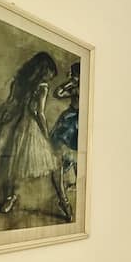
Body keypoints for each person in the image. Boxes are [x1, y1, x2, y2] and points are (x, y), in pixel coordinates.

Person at [0, 52, 59, 214]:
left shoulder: (19, 80)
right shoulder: (42, 87)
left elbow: (10, 102)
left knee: (11, 161)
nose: (50, 77)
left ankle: (10, 197)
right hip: (25, 124)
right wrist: (45, 134)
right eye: (50, 73)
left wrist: (4, 116)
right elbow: (39, 113)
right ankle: (10, 197)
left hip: (13, 120)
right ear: (44, 70)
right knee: (12, 162)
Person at [50, 62, 80, 221]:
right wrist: (71, 83)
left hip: (81, 124)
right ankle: (63, 201)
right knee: (57, 161)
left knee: (79, 160)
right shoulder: (74, 88)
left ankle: (75, 189)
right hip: (69, 123)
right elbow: (57, 93)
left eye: (73, 74)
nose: (70, 76)